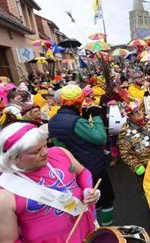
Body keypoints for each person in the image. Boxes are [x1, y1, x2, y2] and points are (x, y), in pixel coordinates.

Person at [0, 122, 99, 242]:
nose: (45, 152)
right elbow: (9, 241)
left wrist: (87, 190)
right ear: (13, 156)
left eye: (45, 145)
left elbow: (83, 172)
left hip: (88, 231)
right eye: (36, 151)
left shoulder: (60, 153)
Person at [49, 84, 115, 226]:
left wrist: (83, 117)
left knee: (88, 201)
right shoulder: (76, 121)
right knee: (107, 198)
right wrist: (96, 117)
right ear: (79, 101)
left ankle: (92, 228)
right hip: (92, 166)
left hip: (73, 169)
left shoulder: (53, 120)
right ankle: (107, 229)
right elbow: (100, 138)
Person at [118, 99, 150, 178]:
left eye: (139, 109)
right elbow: (125, 153)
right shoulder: (125, 131)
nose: (139, 113)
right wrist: (137, 166)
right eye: (134, 112)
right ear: (128, 115)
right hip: (148, 167)